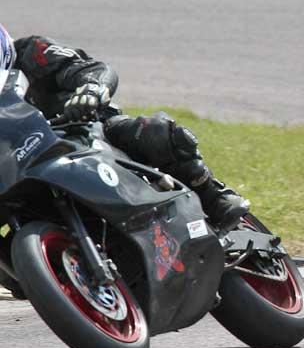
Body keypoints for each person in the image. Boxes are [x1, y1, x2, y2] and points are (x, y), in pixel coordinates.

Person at [0, 24, 249, 232]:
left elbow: (94, 69)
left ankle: (214, 196)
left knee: (153, 131)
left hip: (84, 132)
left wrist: (90, 91)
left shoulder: (33, 52)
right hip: (24, 174)